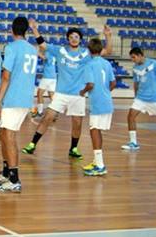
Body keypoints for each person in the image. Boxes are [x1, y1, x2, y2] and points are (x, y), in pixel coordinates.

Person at [22, 21, 113, 159]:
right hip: (61, 93)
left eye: (76, 37)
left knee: (77, 123)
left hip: (78, 95)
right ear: (68, 39)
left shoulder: (86, 53)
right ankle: (32, 144)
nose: (73, 39)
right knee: (48, 117)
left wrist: (108, 36)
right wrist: (35, 29)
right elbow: (43, 44)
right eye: (71, 37)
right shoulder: (60, 51)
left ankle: (73, 148)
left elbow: (107, 51)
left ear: (80, 39)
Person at [0, 17, 38, 193]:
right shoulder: (32, 49)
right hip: (24, 96)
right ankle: (6, 172)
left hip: (14, 97)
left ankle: (14, 180)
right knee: (4, 134)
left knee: (9, 136)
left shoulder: (11, 47)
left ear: (11, 30)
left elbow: (6, 76)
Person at [81, 39, 116, 176]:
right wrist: (105, 92)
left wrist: (82, 92)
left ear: (89, 50)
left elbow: (90, 84)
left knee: (94, 131)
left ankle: (100, 166)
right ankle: (97, 161)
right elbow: (113, 83)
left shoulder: (89, 65)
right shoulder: (106, 63)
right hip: (107, 101)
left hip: (97, 103)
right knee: (97, 130)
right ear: (101, 50)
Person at [33, 49, 57, 118]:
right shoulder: (53, 54)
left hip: (47, 77)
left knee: (39, 93)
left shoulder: (48, 53)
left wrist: (36, 51)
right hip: (53, 77)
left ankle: (40, 112)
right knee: (51, 95)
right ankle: (55, 113)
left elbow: (45, 58)